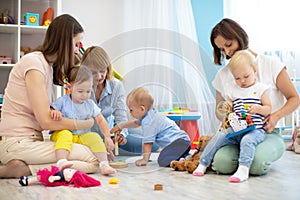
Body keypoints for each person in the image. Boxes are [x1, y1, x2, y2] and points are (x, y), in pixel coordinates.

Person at [0, 14, 99, 178]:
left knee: (83, 152)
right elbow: (46, 121)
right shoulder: (34, 63)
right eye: (75, 44)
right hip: (16, 143)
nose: (76, 50)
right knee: (92, 159)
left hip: (30, 141)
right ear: (64, 42)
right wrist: (85, 123)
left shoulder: (47, 66)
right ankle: (22, 169)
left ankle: (23, 167)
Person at [209, 18, 300, 175]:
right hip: (236, 133)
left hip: (267, 133)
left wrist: (275, 117)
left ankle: (254, 157)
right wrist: (224, 111)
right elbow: (219, 112)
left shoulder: (270, 64)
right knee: (222, 164)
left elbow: (294, 98)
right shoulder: (222, 75)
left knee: (256, 164)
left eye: (229, 45)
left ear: (239, 36)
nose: (227, 52)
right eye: (222, 49)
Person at [193, 50, 272, 182]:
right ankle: (203, 163)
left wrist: (258, 109)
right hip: (237, 128)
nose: (242, 81)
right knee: (220, 136)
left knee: (247, 141)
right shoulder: (233, 89)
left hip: (255, 130)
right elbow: (229, 105)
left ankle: (243, 169)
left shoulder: (261, 89)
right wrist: (226, 107)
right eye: (237, 78)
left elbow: (268, 108)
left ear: (254, 71)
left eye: (246, 76)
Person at [80, 46, 160, 154]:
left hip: (112, 131)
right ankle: (163, 150)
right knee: (144, 144)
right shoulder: (81, 88)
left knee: (150, 133)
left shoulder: (116, 86)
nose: (99, 76)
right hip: (93, 136)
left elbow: (121, 117)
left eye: (102, 70)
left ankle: (176, 149)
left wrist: (121, 134)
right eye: (94, 72)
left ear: (108, 68)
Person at [50, 66, 116, 175]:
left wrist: (107, 136)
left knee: (95, 137)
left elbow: (100, 120)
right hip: (61, 133)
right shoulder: (62, 101)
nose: (85, 95)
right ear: (69, 87)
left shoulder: (90, 104)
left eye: (88, 91)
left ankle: (104, 164)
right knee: (65, 134)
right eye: (80, 91)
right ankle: (61, 161)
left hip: (81, 135)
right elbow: (51, 110)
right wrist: (54, 111)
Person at [110, 87, 191, 167]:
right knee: (167, 153)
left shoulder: (149, 122)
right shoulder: (151, 114)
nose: (130, 113)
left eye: (131, 110)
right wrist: (121, 126)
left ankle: (184, 159)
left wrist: (144, 159)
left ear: (142, 109)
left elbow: (148, 143)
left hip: (177, 142)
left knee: (162, 160)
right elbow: (136, 123)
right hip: (183, 140)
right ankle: (186, 156)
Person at [19, 166, 101, 187]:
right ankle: (28, 179)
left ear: (68, 177)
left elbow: (56, 178)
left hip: (49, 177)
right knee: (38, 177)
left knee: (38, 178)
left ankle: (27, 182)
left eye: (70, 171)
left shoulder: (61, 177)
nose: (69, 169)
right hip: (50, 175)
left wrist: (52, 178)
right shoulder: (62, 173)